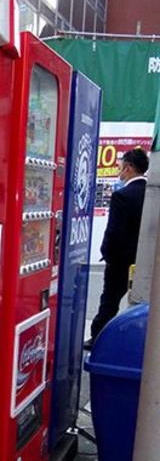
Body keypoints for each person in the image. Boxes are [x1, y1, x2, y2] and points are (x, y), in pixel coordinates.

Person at [86, 148, 149, 349]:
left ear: (129, 167)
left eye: (121, 165)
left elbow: (114, 232)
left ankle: (98, 341)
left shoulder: (123, 195)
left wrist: (107, 254)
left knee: (109, 303)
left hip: (120, 262)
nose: (119, 170)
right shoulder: (152, 194)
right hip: (144, 261)